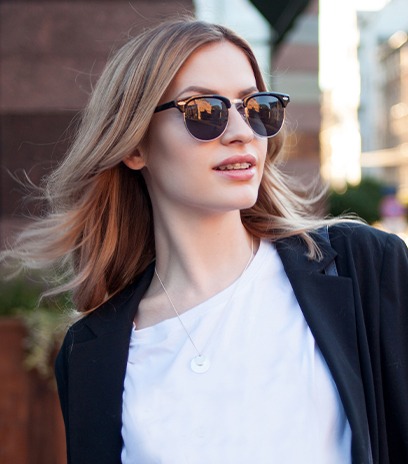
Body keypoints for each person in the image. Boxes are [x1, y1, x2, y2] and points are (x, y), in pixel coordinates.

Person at [1, 17, 407, 464]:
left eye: (256, 107)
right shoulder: (91, 356)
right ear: (135, 146)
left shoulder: (362, 265)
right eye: (204, 111)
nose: (242, 132)